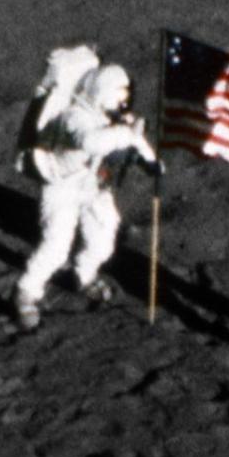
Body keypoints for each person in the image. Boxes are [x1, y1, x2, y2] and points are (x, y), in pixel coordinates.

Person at [13, 61, 162, 331]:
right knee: (57, 247)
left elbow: (132, 139)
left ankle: (84, 274)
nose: (125, 100)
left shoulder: (109, 117)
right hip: (62, 187)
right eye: (121, 94)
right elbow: (92, 142)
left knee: (103, 238)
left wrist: (150, 160)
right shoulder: (75, 117)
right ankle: (26, 291)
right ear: (104, 91)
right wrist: (127, 133)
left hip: (93, 185)